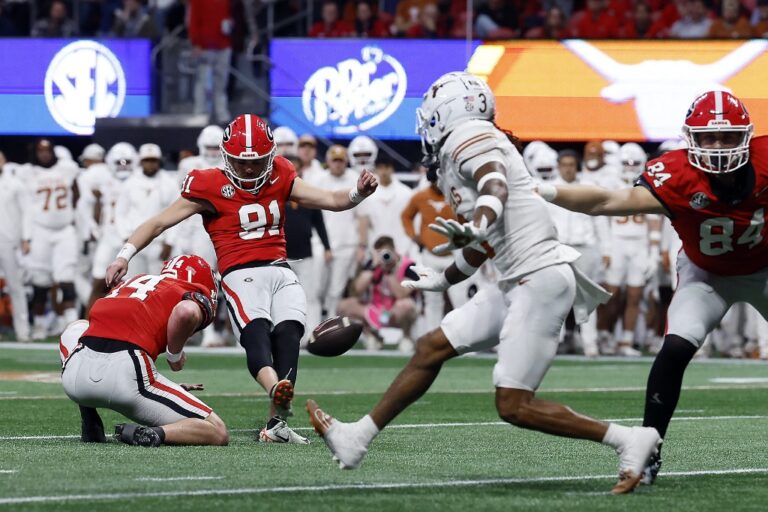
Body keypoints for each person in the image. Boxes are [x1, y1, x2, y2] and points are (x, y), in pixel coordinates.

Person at [306, 71, 660, 495]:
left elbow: (494, 184)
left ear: (449, 112)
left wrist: (478, 221)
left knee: (513, 404)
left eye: (432, 116)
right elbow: (482, 243)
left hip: (538, 278)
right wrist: (444, 278)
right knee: (430, 346)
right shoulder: (468, 150)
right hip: (519, 279)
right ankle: (356, 438)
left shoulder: (467, 135)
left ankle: (629, 439)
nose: (428, 127)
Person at [535, 90, 766, 485]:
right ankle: (649, 448)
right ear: (690, 138)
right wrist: (543, 191)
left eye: (727, 137)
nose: (718, 146)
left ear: (745, 136)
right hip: (706, 274)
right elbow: (609, 200)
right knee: (675, 348)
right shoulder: (675, 174)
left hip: (764, 268)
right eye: (708, 137)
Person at [105, 114, 378, 444]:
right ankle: (274, 387)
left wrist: (358, 193)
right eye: (241, 161)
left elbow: (333, 200)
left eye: (257, 161)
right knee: (256, 334)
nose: (249, 169)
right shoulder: (206, 183)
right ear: (226, 156)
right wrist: (124, 254)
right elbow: (159, 222)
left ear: (270, 155)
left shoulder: (281, 172)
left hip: (281, 267)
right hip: (241, 272)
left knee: (290, 335)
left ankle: (276, 425)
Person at [61, 254, 228, 447]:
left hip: (75, 378)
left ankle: (89, 418)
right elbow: (186, 311)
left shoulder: (134, 281)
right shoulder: (187, 289)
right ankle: (150, 433)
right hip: (126, 378)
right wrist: (175, 355)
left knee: (77, 327)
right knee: (217, 430)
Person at [23, 139, 80, 339]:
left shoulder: (66, 168)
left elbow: (76, 191)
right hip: (40, 230)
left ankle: (72, 326)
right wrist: (27, 236)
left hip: (64, 230)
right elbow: (26, 208)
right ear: (35, 152)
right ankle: (39, 325)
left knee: (66, 278)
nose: (44, 154)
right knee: (40, 280)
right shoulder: (28, 173)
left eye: (48, 150)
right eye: (40, 151)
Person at [338, 235, 419, 351]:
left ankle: (407, 337)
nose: (384, 256)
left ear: (394, 250)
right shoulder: (373, 265)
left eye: (386, 252)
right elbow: (356, 291)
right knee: (344, 306)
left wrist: (390, 271)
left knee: (407, 305)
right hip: (376, 310)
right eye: (380, 253)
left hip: (395, 312)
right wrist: (372, 268)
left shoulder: (408, 266)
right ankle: (371, 336)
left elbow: (402, 294)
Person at [0, 152, 31, 341]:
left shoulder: (15, 184)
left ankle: (23, 331)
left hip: (9, 241)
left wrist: (26, 238)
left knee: (16, 287)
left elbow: (27, 211)